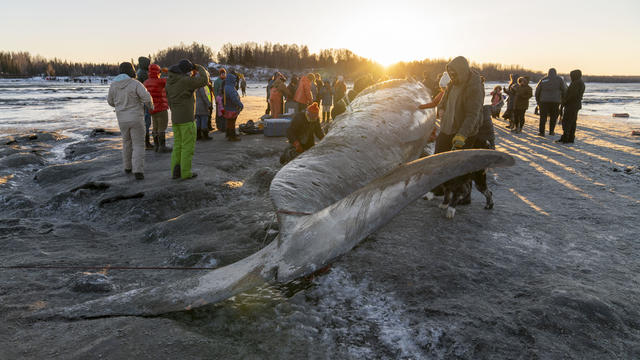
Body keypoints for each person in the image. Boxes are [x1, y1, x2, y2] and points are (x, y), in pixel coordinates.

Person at [107, 62, 153, 180]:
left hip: (122, 119)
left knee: (126, 142)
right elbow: (147, 97)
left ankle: (127, 167)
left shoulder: (113, 85)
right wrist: (150, 106)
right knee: (138, 144)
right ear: (131, 70)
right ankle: (138, 171)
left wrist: (119, 105)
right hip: (136, 118)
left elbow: (110, 101)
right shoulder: (135, 84)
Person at [166, 59, 210, 180]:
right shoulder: (185, 81)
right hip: (187, 119)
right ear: (187, 71)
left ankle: (176, 170)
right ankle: (185, 173)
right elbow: (204, 81)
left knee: (178, 146)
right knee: (187, 147)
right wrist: (199, 67)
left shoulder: (169, 81)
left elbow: (169, 99)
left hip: (175, 119)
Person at [435, 56, 484, 154]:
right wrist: (440, 109)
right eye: (450, 73)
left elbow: (473, 114)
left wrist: (462, 135)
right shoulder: (452, 84)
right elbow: (442, 102)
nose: (452, 76)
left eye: (454, 73)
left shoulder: (474, 87)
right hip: (447, 129)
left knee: (458, 163)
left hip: (463, 132)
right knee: (439, 155)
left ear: (461, 71)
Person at [143, 64, 172, 153]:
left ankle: (156, 146)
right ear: (158, 72)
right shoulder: (161, 81)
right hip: (161, 107)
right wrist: (168, 72)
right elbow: (172, 80)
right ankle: (162, 147)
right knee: (162, 127)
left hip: (152, 108)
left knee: (155, 127)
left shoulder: (145, 82)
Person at [535, 68, 567, 136]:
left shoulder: (543, 80)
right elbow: (564, 90)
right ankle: (551, 131)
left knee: (543, 117)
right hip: (555, 101)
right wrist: (563, 99)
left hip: (543, 101)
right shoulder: (559, 79)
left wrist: (538, 100)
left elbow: (537, 91)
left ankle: (541, 132)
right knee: (553, 117)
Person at [558, 70, 585, 144]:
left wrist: (565, 101)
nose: (570, 77)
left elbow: (572, 95)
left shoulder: (576, 83)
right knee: (572, 122)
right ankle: (570, 137)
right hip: (575, 105)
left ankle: (566, 138)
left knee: (567, 121)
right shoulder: (578, 82)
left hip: (571, 105)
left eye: (571, 75)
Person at [136, 56, 153, 150]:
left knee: (145, 121)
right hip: (144, 100)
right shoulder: (143, 73)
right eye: (148, 63)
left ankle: (145, 142)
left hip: (141, 100)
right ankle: (146, 143)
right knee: (146, 121)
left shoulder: (140, 72)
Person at [222, 71, 243, 141]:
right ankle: (232, 136)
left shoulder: (226, 87)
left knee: (229, 121)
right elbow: (234, 99)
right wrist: (240, 104)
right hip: (232, 108)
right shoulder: (230, 88)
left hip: (227, 108)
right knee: (232, 122)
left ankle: (228, 134)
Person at [213, 68, 226, 133]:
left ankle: (224, 126)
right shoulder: (217, 81)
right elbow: (215, 91)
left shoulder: (226, 80)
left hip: (225, 100)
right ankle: (219, 126)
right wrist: (216, 99)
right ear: (220, 74)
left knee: (224, 113)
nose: (223, 75)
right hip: (219, 99)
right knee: (219, 114)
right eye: (222, 74)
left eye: (224, 74)